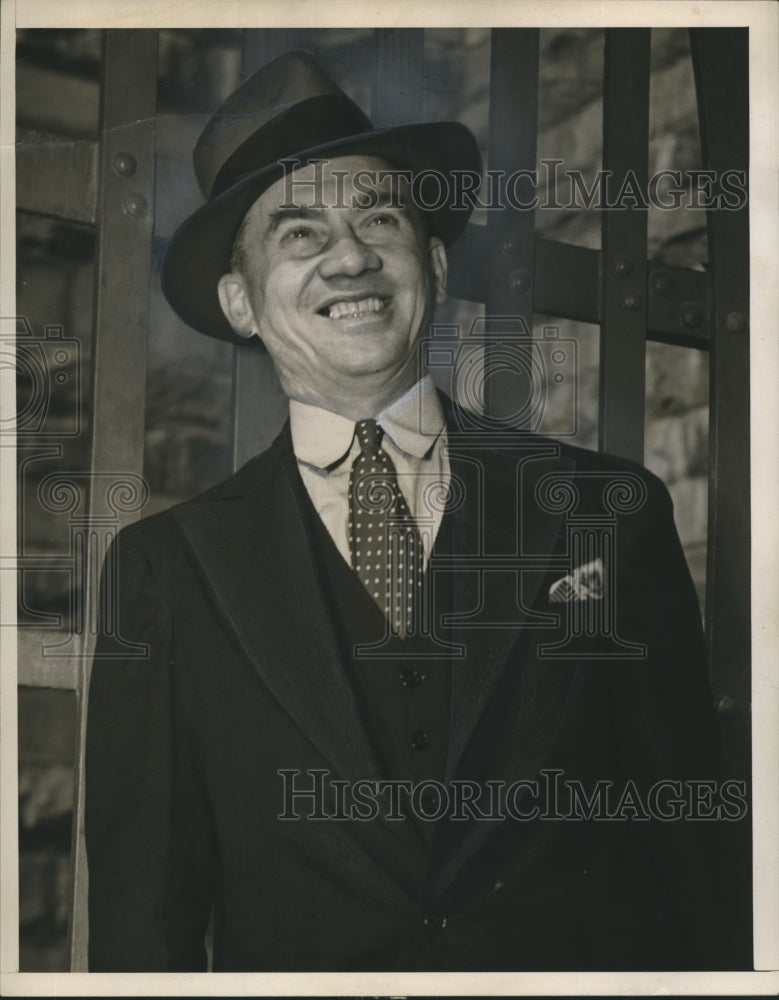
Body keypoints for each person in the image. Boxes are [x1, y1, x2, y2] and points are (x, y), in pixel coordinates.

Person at [85, 49, 747, 972]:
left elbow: (701, 863)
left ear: (431, 261)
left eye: (380, 219)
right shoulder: (166, 569)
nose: (350, 256)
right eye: (299, 236)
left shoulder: (607, 510)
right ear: (240, 301)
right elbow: (139, 923)